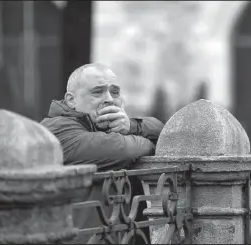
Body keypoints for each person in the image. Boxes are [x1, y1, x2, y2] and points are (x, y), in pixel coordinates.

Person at [41, 63, 164, 243]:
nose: (109, 99)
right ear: (71, 100)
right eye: (97, 92)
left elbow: (163, 130)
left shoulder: (108, 125)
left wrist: (132, 126)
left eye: (114, 92)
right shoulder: (57, 128)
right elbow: (124, 150)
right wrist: (140, 138)